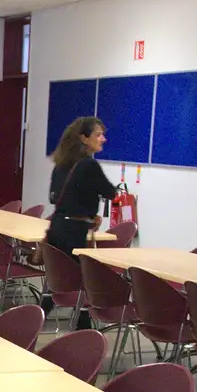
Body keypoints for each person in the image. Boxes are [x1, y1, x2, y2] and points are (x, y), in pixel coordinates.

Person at [45, 116, 118, 329]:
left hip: (58, 225)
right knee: (82, 279)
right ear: (84, 138)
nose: (103, 139)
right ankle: (82, 327)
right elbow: (110, 192)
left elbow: (54, 197)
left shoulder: (62, 163)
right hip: (74, 231)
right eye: (98, 135)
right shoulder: (89, 165)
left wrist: (86, 211)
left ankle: (76, 323)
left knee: (62, 278)